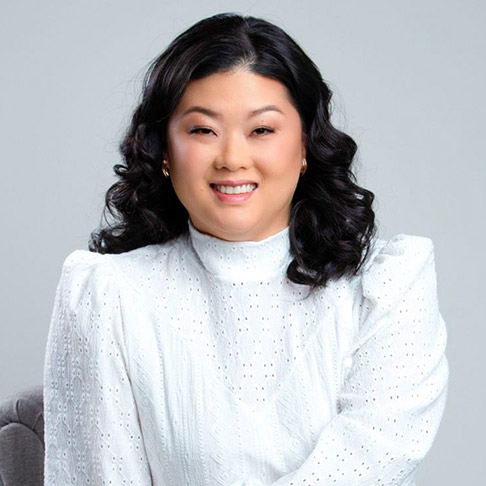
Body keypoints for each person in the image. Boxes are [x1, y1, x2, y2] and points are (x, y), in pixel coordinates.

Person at [43, 12, 449, 486]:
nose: (233, 159)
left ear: (305, 145)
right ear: (164, 151)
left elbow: (372, 455)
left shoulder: (386, 284)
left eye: (261, 130)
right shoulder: (107, 295)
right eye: (202, 130)